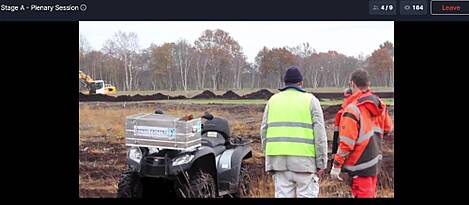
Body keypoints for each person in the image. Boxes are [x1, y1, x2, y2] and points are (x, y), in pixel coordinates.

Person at [260, 66, 328, 198]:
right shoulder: (311, 101)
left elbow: (264, 132)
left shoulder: (272, 101)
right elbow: (320, 135)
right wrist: (321, 163)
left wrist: (268, 159)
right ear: (301, 83)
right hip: (305, 164)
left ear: (284, 83)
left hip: (279, 163)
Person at [329, 68, 393, 198]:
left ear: (352, 84)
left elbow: (346, 143)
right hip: (373, 164)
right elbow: (388, 128)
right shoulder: (379, 105)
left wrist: (336, 165)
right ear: (368, 84)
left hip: (358, 166)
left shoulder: (353, 109)